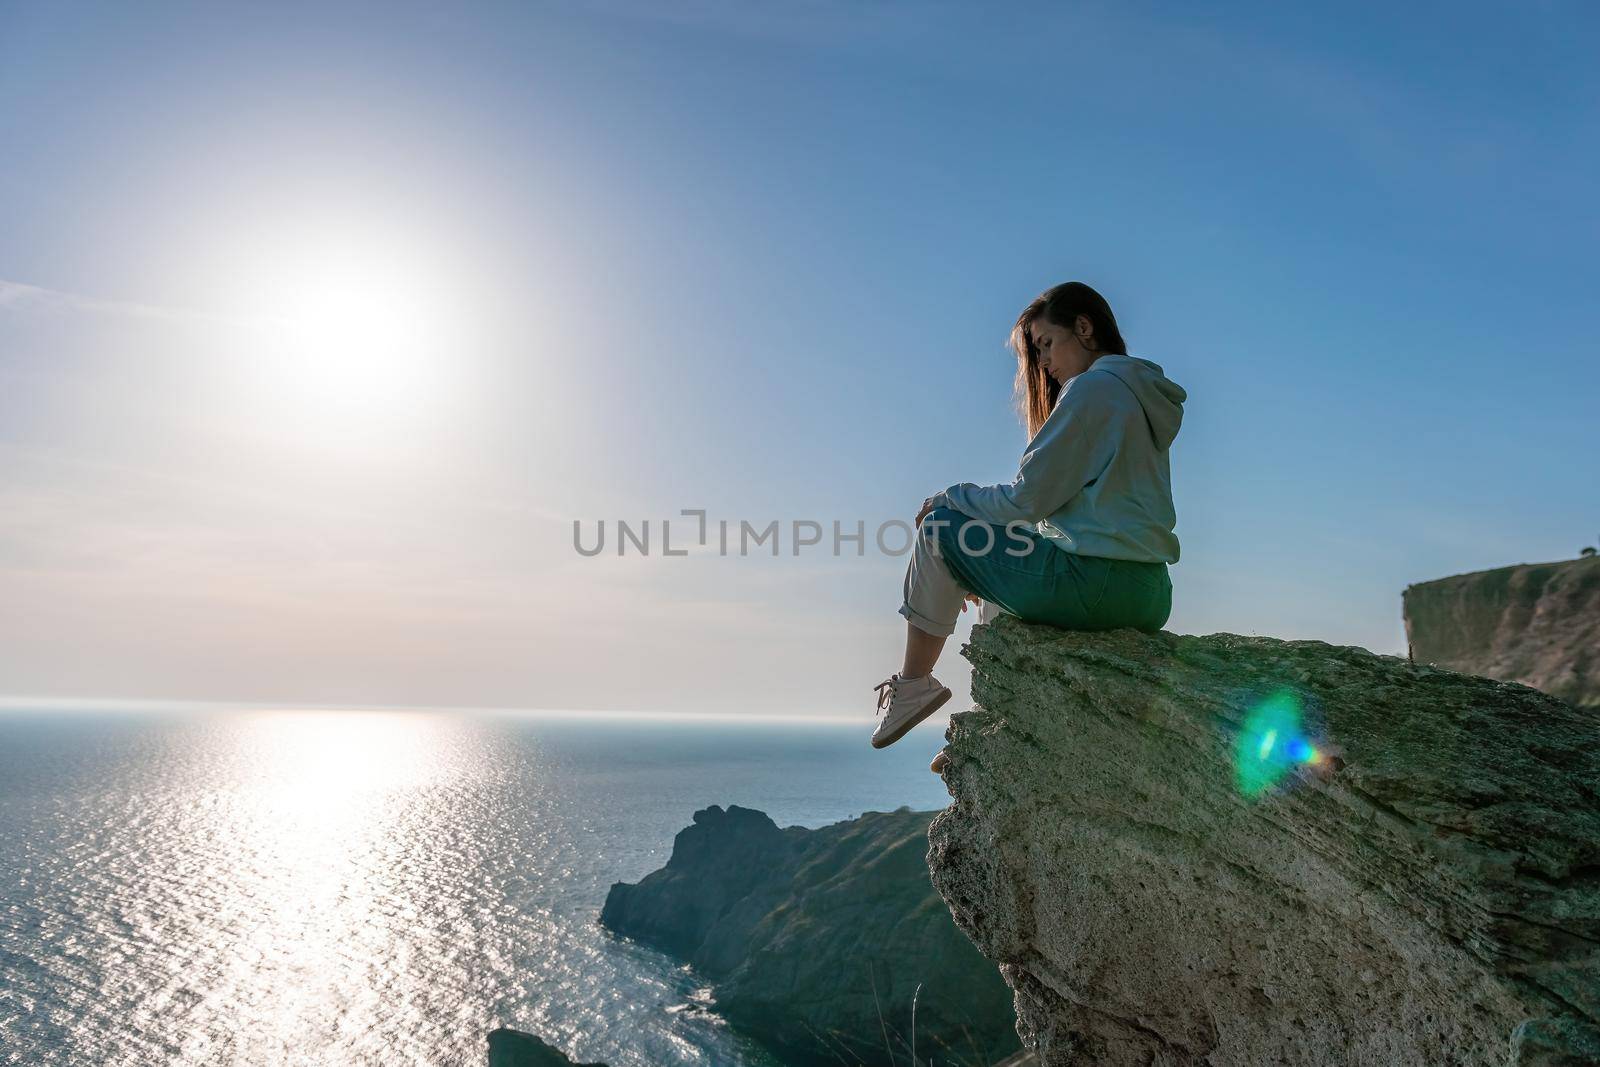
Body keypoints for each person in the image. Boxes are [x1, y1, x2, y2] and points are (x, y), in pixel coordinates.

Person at [869, 281, 1186, 767]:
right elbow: (1073, 517)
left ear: (1083, 327)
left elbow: (1025, 499)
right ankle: (993, 725)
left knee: (942, 527)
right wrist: (982, 570)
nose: (1043, 364)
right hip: (1149, 592)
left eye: (1046, 344)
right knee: (999, 567)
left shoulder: (1092, 389)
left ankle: (913, 685)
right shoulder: (1137, 394)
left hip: (1096, 585)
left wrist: (947, 497)